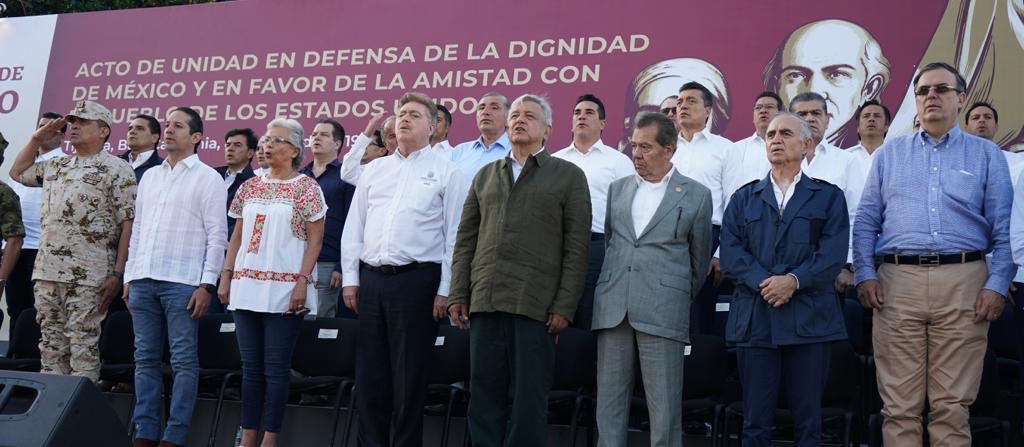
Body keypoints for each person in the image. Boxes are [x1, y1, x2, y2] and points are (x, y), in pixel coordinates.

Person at [854, 62, 1013, 446]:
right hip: (897, 284)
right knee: (898, 407)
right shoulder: (889, 154)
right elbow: (866, 222)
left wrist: (997, 284)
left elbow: (1006, 228)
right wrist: (865, 273)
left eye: (941, 89)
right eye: (923, 91)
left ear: (961, 99)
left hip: (965, 283)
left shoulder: (987, 155)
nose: (931, 97)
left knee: (952, 407)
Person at [448, 94, 591, 446]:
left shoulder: (568, 176)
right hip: (485, 299)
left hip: (535, 304)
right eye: (514, 115)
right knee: (483, 396)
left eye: (529, 116)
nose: (519, 120)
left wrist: (564, 305)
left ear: (548, 130)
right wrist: (458, 292)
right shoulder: (485, 175)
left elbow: (577, 248)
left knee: (529, 399)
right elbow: (465, 240)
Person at [341, 92, 466, 447]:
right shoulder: (375, 169)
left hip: (417, 283)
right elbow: (354, 228)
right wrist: (351, 279)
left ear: (433, 127)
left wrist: (446, 288)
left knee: (409, 378)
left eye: (414, 114)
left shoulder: (448, 171)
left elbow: (455, 236)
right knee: (370, 376)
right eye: (401, 114)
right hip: (371, 282)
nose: (405, 119)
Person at [721, 112, 849, 447]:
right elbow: (731, 253)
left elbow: (832, 255)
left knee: (808, 422)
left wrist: (793, 280)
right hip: (757, 320)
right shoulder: (743, 198)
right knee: (755, 423)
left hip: (809, 321)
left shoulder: (828, 197)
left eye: (785, 133)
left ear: (806, 145)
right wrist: (767, 282)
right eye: (771, 134)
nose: (776, 139)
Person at [592, 111, 712, 446]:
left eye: (645, 147)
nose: (636, 154)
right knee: (609, 406)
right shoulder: (617, 189)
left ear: (669, 150)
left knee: (665, 408)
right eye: (634, 146)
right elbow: (613, 243)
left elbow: (699, 261)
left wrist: (671, 293)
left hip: (664, 309)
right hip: (614, 309)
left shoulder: (696, 194)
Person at [9, 100, 136, 382]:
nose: (74, 126)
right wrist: (36, 138)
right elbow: (17, 172)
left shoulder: (116, 168)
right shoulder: (57, 165)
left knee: (83, 348)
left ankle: (80, 407)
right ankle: (52, 409)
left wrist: (117, 273)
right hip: (47, 272)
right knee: (50, 347)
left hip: (89, 275)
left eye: (83, 122)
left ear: (103, 131)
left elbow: (127, 223)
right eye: (73, 122)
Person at [218, 118, 325, 447]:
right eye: (265, 139)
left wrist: (302, 281)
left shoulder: (307, 188)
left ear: (294, 150)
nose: (266, 145)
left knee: (276, 368)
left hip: (285, 289)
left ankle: (270, 438)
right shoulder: (249, 186)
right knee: (250, 368)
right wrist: (226, 275)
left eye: (275, 140)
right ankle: (248, 435)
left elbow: (316, 240)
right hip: (246, 285)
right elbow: (237, 235)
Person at [123, 107, 227, 447]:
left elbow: (217, 236)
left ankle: (175, 435)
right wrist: (129, 276)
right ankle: (145, 433)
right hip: (143, 279)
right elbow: (138, 230)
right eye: (167, 125)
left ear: (196, 137)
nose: (169, 130)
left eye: (178, 126)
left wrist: (206, 284)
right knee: (144, 360)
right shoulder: (150, 177)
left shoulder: (208, 177)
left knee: (183, 361)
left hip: (183, 281)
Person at [552, 94, 633, 330]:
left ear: (603, 123)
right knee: (555, 314)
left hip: (598, 247)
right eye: (577, 113)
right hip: (557, 247)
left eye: (589, 113)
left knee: (590, 314)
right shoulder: (554, 161)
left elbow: (628, 211)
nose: (582, 117)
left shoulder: (619, 162)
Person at [763, 19, 891, 148]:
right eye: (796, 75)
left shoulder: (861, 158)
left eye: (836, 75)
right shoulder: (763, 153)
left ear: (870, 88)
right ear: (776, 87)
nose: (814, 90)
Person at [671, 81, 733, 336]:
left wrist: (721, 252)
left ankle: (699, 361)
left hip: (708, 237)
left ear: (708, 110)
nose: (683, 106)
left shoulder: (725, 149)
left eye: (691, 101)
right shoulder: (666, 149)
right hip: (668, 238)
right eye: (679, 102)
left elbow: (733, 204)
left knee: (701, 319)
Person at [789, 92, 860, 295]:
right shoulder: (776, 160)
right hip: (784, 265)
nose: (810, 118)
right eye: (802, 114)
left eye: (816, 113)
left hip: (830, 266)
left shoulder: (846, 161)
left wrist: (847, 264)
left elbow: (854, 215)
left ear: (827, 120)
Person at [5, 112, 65, 348]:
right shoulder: (23, 164)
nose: (43, 131)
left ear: (61, 135)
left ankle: (35, 361)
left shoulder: (63, 164)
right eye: (40, 126)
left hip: (43, 250)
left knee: (39, 310)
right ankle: (15, 357)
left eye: (50, 127)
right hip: (15, 248)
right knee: (15, 308)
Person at [301, 118, 355, 319]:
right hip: (295, 261)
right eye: (314, 134)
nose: (316, 138)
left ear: (338, 143)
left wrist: (341, 266)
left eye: (324, 135)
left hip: (327, 263)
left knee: (319, 324)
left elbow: (352, 223)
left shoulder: (346, 176)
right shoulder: (300, 176)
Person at [618, 58, 731, 150]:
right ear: (628, 123)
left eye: (675, 110)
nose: (670, 115)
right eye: (663, 111)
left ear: (707, 112)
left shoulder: (724, 149)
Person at [723, 92, 785, 204]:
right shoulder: (736, 149)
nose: (763, 111)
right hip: (743, 210)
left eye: (769, 107)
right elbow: (729, 189)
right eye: (758, 108)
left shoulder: (789, 148)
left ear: (781, 115)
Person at [448, 92, 512, 182]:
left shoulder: (517, 151)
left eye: (494, 108)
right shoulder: (459, 151)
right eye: (481, 108)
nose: (485, 112)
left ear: (508, 117)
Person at [216, 128, 258, 238]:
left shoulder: (254, 184)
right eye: (228, 145)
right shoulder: (212, 175)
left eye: (237, 145)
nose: (230, 149)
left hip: (229, 242)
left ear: (250, 153)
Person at [339, 114, 397, 184]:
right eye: (364, 143)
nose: (364, 148)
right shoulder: (373, 170)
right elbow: (348, 173)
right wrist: (366, 134)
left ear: (382, 151)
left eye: (369, 144)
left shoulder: (391, 168)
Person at [121, 114, 164, 181]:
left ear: (154, 138)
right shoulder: (114, 163)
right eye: (130, 129)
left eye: (140, 128)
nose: (132, 132)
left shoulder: (163, 167)